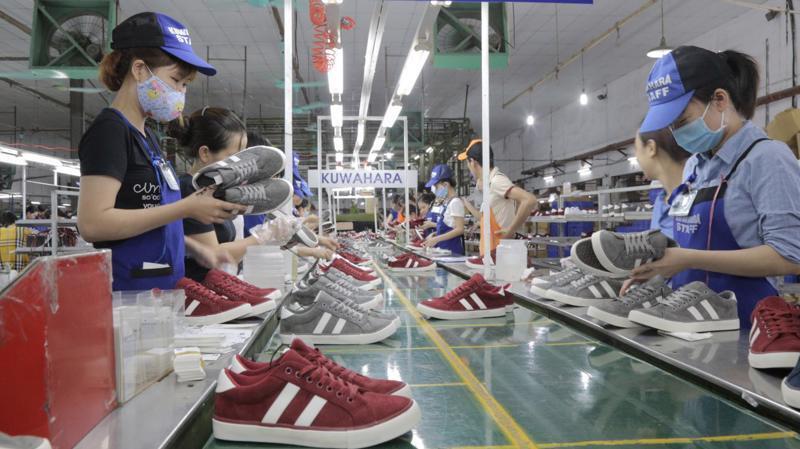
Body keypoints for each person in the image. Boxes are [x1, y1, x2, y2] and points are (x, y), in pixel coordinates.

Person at [631, 45, 800, 327]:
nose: (677, 134)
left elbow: (790, 256)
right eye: (671, 127)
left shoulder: (767, 158)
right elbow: (690, 243)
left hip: (746, 326)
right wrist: (657, 269)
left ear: (720, 99)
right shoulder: (694, 166)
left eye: (682, 121)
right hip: (686, 321)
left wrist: (689, 259)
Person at [77, 12, 246, 291]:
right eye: (177, 80)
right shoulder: (110, 131)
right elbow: (93, 223)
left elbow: (147, 215)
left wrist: (193, 246)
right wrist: (186, 208)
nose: (181, 93)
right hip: (128, 294)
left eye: (185, 85)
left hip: (160, 290)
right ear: (140, 70)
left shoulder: (148, 137)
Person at [458, 139, 537, 259]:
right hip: (491, 255)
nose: (468, 167)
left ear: (473, 162)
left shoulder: (496, 181)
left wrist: (510, 230)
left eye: (467, 163)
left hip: (500, 255)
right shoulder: (490, 184)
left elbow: (529, 200)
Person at [634, 126, 691, 238]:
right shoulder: (660, 201)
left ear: (651, 148)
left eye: (636, 148)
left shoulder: (701, 195)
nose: (636, 157)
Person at [422, 164, 465, 255]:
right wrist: (435, 234)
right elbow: (449, 226)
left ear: (445, 184)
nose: (435, 190)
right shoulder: (447, 203)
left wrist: (437, 239)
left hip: (453, 252)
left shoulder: (455, 202)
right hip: (444, 251)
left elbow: (460, 229)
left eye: (436, 187)